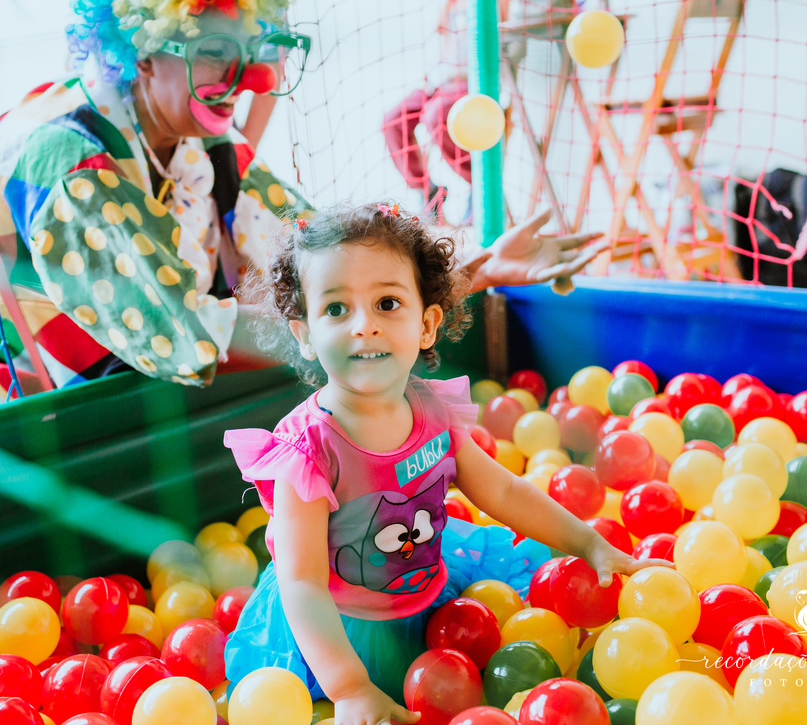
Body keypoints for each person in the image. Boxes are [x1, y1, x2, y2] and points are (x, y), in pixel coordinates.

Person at [0, 0, 600, 452]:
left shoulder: (199, 146)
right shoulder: (69, 164)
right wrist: (379, 323)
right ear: (142, 48)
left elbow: (332, 256)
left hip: (35, 397)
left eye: (252, 51)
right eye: (217, 52)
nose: (246, 78)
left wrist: (469, 267)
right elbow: (188, 335)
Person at [223, 203, 668, 723]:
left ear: (427, 324)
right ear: (305, 334)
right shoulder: (308, 450)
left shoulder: (432, 410)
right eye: (337, 309)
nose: (364, 326)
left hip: (424, 587)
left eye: (387, 303)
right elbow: (303, 583)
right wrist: (349, 688)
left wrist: (590, 543)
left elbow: (504, 492)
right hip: (341, 626)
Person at [380, 0, 511, 213]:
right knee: (393, 120)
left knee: (437, 117)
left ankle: (481, 187)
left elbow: (505, 49)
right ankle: (427, 190)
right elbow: (445, 43)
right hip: (444, 80)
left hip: (473, 83)